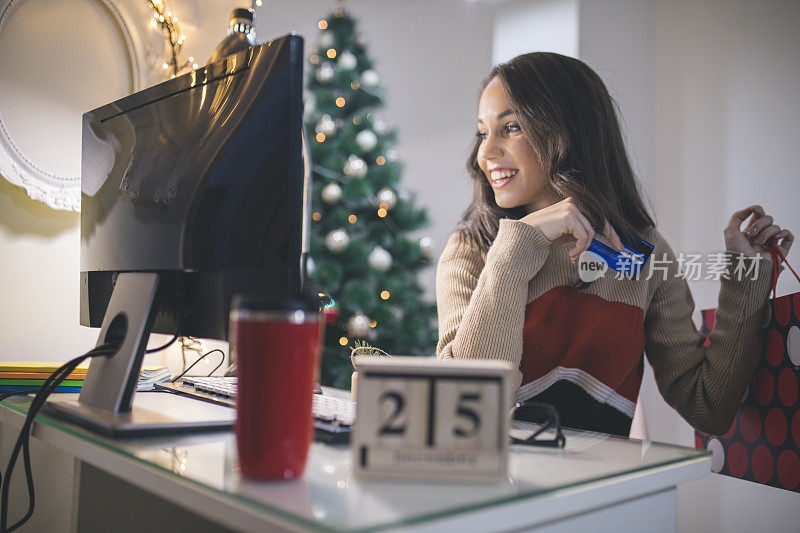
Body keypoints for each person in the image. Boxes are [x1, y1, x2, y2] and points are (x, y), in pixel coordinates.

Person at [435, 52, 794, 437]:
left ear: (569, 130)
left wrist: (746, 277)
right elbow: (467, 404)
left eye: (511, 127)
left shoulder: (645, 253)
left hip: (606, 493)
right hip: (503, 491)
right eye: (482, 132)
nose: (485, 153)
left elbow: (708, 408)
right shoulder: (472, 250)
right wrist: (516, 249)